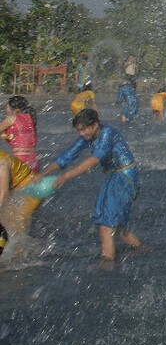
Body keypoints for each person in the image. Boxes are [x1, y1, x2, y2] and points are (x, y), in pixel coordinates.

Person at [41, 109, 141, 260]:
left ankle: (107, 266)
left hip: (124, 177)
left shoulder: (108, 132)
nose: (81, 133)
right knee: (118, 226)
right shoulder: (88, 137)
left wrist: (65, 176)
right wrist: (43, 173)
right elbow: (68, 155)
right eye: (79, 130)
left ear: (94, 125)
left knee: (106, 227)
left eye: (83, 129)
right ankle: (141, 250)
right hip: (113, 177)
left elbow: (95, 159)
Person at [0, 149, 42, 232]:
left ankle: (21, 243)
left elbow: (4, 193)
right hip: (13, 188)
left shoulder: (2, 164)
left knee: (13, 227)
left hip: (31, 189)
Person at [1, 96, 39, 171]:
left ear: (16, 110)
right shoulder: (30, 118)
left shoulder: (11, 119)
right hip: (33, 158)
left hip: (20, 157)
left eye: (7, 107)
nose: (5, 109)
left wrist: (5, 136)